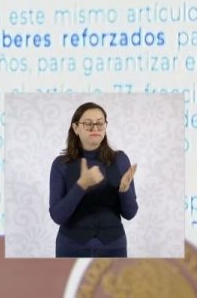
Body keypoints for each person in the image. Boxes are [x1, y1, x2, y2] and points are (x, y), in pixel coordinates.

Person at [49, 102, 138, 258]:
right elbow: (57, 216)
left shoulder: (120, 160)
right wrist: (81, 185)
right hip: (70, 247)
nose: (95, 128)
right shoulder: (61, 164)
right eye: (88, 124)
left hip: (113, 247)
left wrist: (124, 190)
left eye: (100, 123)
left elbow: (130, 213)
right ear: (76, 128)